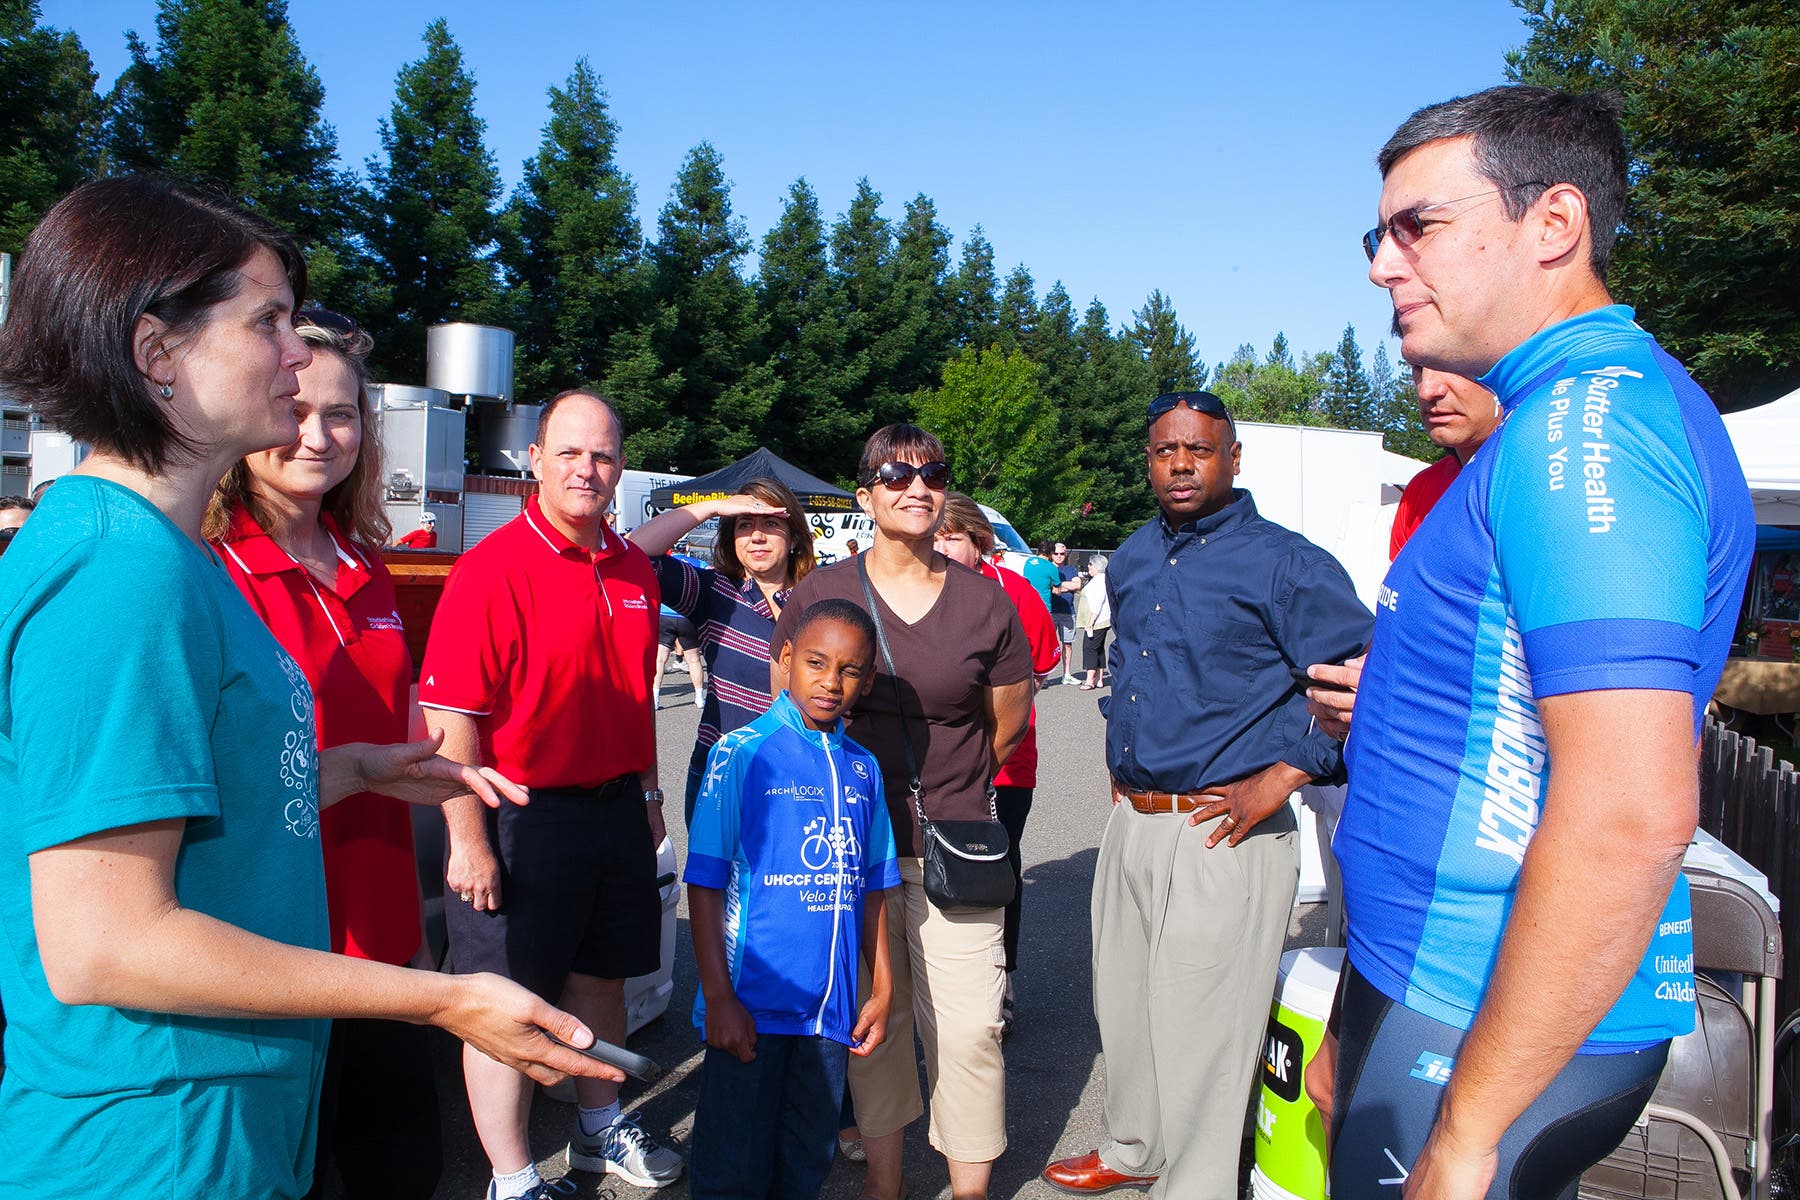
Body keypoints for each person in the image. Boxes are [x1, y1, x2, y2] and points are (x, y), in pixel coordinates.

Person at [0, 174, 612, 1200]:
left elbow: (185, 800)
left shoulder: (159, 554)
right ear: (157, 353)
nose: (298, 352)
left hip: (216, 1116)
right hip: (153, 1144)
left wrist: (355, 768)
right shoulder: (118, 567)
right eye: (269, 321)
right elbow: (104, 944)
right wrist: (439, 997)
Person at [1322, 85, 1754, 1200]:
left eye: (1417, 226)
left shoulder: (1587, 428)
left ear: (1552, 224)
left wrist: (1467, 1135)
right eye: (1381, 233)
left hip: (1472, 1013)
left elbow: (1628, 815)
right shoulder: (1553, 420)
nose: (1382, 264)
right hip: (1424, 982)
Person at [1042, 390, 1371, 1199]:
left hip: (1229, 825)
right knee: (1124, 1009)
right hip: (1136, 821)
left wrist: (1289, 772)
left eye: (1197, 449)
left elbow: (1366, 685)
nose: (1180, 463)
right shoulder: (1134, 556)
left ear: (1231, 457)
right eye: (1163, 451)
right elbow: (1131, 666)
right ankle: (1133, 1149)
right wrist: (1123, 732)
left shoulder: (1286, 563)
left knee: (1204, 1032)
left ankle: (1194, 1187)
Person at [420, 389, 684, 1199]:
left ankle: (600, 1129)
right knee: (504, 1003)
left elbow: (631, 696)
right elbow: (449, 722)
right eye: (569, 452)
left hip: (612, 811)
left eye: (603, 455)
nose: (587, 469)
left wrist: (647, 795)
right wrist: (467, 841)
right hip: (518, 818)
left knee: (602, 979)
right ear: (533, 460)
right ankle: (511, 1178)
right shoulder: (491, 569)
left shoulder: (633, 566)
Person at [206, 308, 442, 1199]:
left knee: (401, 1168)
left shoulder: (366, 567)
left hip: (378, 940)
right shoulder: (208, 565)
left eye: (340, 414)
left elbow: (393, 738)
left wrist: (414, 936)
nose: (317, 434)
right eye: (297, 410)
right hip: (268, 944)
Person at [772, 424, 1033, 1200]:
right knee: (871, 1032)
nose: (917, 488)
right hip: (846, 848)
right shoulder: (822, 592)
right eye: (896, 476)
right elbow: (788, 698)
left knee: (970, 1030)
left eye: (933, 475)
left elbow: (1008, 720)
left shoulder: (986, 602)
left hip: (952, 841)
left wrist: (952, 786)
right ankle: (884, 1187)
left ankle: (969, 1188)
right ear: (865, 496)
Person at [686, 599, 901, 1200]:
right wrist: (719, 996)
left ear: (868, 679)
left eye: (851, 670)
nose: (832, 683)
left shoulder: (864, 768)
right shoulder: (741, 751)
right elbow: (704, 884)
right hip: (749, 1008)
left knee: (806, 1162)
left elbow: (874, 885)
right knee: (732, 1170)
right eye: (816, 662)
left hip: (828, 1015)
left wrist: (881, 989)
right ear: (785, 660)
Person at [935, 494, 1061, 1036]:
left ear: (978, 541)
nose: (939, 546)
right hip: (930, 765)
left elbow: (1042, 668)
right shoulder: (915, 588)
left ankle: (1000, 978)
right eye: (934, 536)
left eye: (951, 537)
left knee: (994, 871)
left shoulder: (1014, 594)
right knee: (928, 870)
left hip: (1004, 763)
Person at [627, 478, 816, 818]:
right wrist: (713, 507)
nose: (757, 536)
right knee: (713, 872)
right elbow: (634, 551)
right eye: (745, 525)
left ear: (793, 539)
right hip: (721, 770)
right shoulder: (714, 590)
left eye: (771, 524)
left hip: (802, 773)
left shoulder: (819, 598)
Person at [1388, 365, 1503, 558]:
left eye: (1450, 364)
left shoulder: (1550, 481)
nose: (1426, 391)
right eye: (1417, 367)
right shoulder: (1420, 491)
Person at [654, 603, 707, 709]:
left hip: (664, 615)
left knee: (660, 659)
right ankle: (699, 698)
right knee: (694, 660)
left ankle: (655, 699)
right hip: (686, 616)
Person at [1048, 542, 1083, 684]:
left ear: (1066, 554)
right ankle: (1044, 676)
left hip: (1068, 612)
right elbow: (1047, 586)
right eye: (1056, 553)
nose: (1059, 556)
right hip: (1050, 611)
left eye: (1062, 553)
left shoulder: (1071, 570)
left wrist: (1057, 586)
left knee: (1067, 644)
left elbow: (1077, 585)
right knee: (1048, 644)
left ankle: (1066, 674)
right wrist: (1066, 586)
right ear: (1051, 554)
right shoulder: (1047, 568)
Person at [1076, 555, 1111, 690]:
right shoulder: (1102, 580)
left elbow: (1097, 602)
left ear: (1096, 566)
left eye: (1090, 564)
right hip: (1102, 620)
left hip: (1097, 621)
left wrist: (1091, 621)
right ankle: (1099, 679)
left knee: (1090, 648)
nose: (1088, 567)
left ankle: (1090, 680)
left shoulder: (1098, 581)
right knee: (1099, 649)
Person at [1020, 539, 1061, 613]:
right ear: (1051, 553)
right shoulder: (1051, 567)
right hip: (1043, 605)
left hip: (1027, 604)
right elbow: (1057, 591)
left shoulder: (1028, 561)